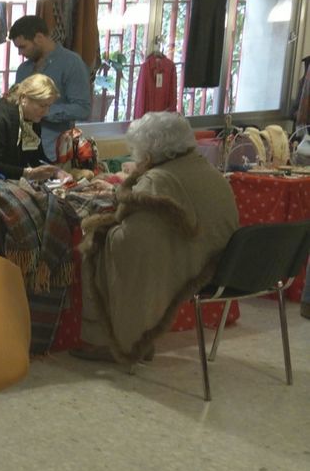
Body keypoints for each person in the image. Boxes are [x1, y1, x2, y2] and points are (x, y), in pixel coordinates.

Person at [74, 112, 239, 363]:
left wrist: (101, 230)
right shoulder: (204, 167)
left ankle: (114, 342)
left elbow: (131, 238)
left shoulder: (158, 178)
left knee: (98, 246)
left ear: (148, 154)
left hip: (197, 267)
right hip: (222, 259)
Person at [10, 15, 91, 162]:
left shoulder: (71, 63)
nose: (20, 53)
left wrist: (42, 111)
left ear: (39, 37)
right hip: (21, 150)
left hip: (54, 151)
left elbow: (83, 109)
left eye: (23, 47)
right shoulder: (23, 69)